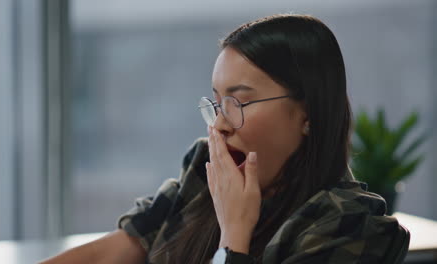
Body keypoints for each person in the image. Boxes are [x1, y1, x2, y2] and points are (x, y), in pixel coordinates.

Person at [39, 14, 402, 264]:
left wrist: (234, 234)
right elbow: (122, 247)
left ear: (307, 114)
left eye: (240, 101)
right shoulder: (207, 168)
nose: (220, 125)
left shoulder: (351, 223)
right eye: (217, 101)